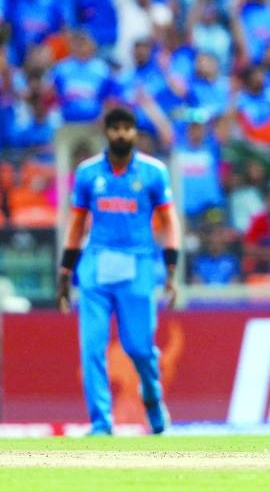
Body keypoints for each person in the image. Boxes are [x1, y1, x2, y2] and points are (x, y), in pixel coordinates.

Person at [55, 106, 179, 435]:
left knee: (138, 347)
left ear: (135, 132)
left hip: (137, 264)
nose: (121, 134)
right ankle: (100, 423)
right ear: (106, 133)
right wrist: (65, 273)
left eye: (127, 128)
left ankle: (151, 396)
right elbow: (77, 224)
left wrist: (171, 269)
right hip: (96, 265)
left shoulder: (153, 173)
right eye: (115, 128)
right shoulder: (88, 173)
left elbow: (169, 222)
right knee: (92, 347)